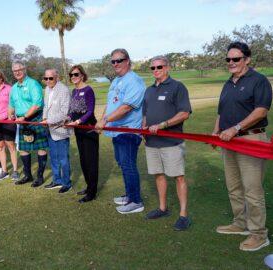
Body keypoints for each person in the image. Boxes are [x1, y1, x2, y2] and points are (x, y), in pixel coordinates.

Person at [212, 41, 272, 251]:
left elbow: (261, 111)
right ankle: (241, 223)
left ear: (247, 59)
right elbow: (221, 111)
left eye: (236, 59)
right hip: (228, 141)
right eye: (228, 59)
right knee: (234, 186)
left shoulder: (259, 80)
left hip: (251, 140)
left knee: (252, 190)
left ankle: (259, 234)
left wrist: (235, 128)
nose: (231, 62)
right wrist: (216, 131)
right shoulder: (228, 83)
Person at [142, 55, 192, 231]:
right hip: (152, 142)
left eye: (160, 67)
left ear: (167, 67)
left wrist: (163, 125)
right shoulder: (148, 90)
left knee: (178, 177)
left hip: (172, 142)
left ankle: (183, 215)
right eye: (153, 68)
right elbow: (145, 113)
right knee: (158, 174)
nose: (156, 70)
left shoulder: (177, 87)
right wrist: (144, 130)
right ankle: (162, 208)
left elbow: (184, 113)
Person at [95, 48, 145, 214]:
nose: (116, 64)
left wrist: (106, 120)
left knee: (128, 165)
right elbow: (111, 104)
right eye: (113, 61)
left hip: (128, 131)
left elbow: (126, 108)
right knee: (123, 163)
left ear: (127, 61)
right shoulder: (117, 80)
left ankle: (136, 201)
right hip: (116, 131)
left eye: (119, 60)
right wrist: (102, 120)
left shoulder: (134, 81)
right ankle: (129, 195)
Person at [9, 61, 48, 187]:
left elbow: (37, 104)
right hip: (21, 120)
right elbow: (11, 104)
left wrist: (25, 117)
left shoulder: (33, 84)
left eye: (19, 69)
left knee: (40, 148)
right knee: (24, 149)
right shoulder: (14, 88)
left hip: (34, 118)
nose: (17, 72)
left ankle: (40, 177)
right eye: (15, 71)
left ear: (25, 70)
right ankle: (28, 175)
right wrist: (10, 114)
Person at [66, 65, 99, 203]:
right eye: (71, 75)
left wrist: (79, 121)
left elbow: (90, 111)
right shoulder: (74, 91)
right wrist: (68, 117)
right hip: (78, 130)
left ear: (82, 75)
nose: (73, 77)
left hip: (89, 129)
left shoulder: (88, 90)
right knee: (83, 161)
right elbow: (72, 109)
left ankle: (92, 193)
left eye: (76, 74)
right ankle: (88, 186)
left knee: (91, 162)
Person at [41, 68, 72, 194]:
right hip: (50, 129)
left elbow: (64, 113)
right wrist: (44, 118)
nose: (48, 81)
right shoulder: (47, 89)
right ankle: (56, 180)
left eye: (51, 78)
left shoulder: (64, 90)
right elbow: (45, 106)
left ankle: (66, 183)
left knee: (63, 159)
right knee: (53, 157)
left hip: (61, 130)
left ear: (57, 77)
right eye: (46, 78)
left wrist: (48, 121)